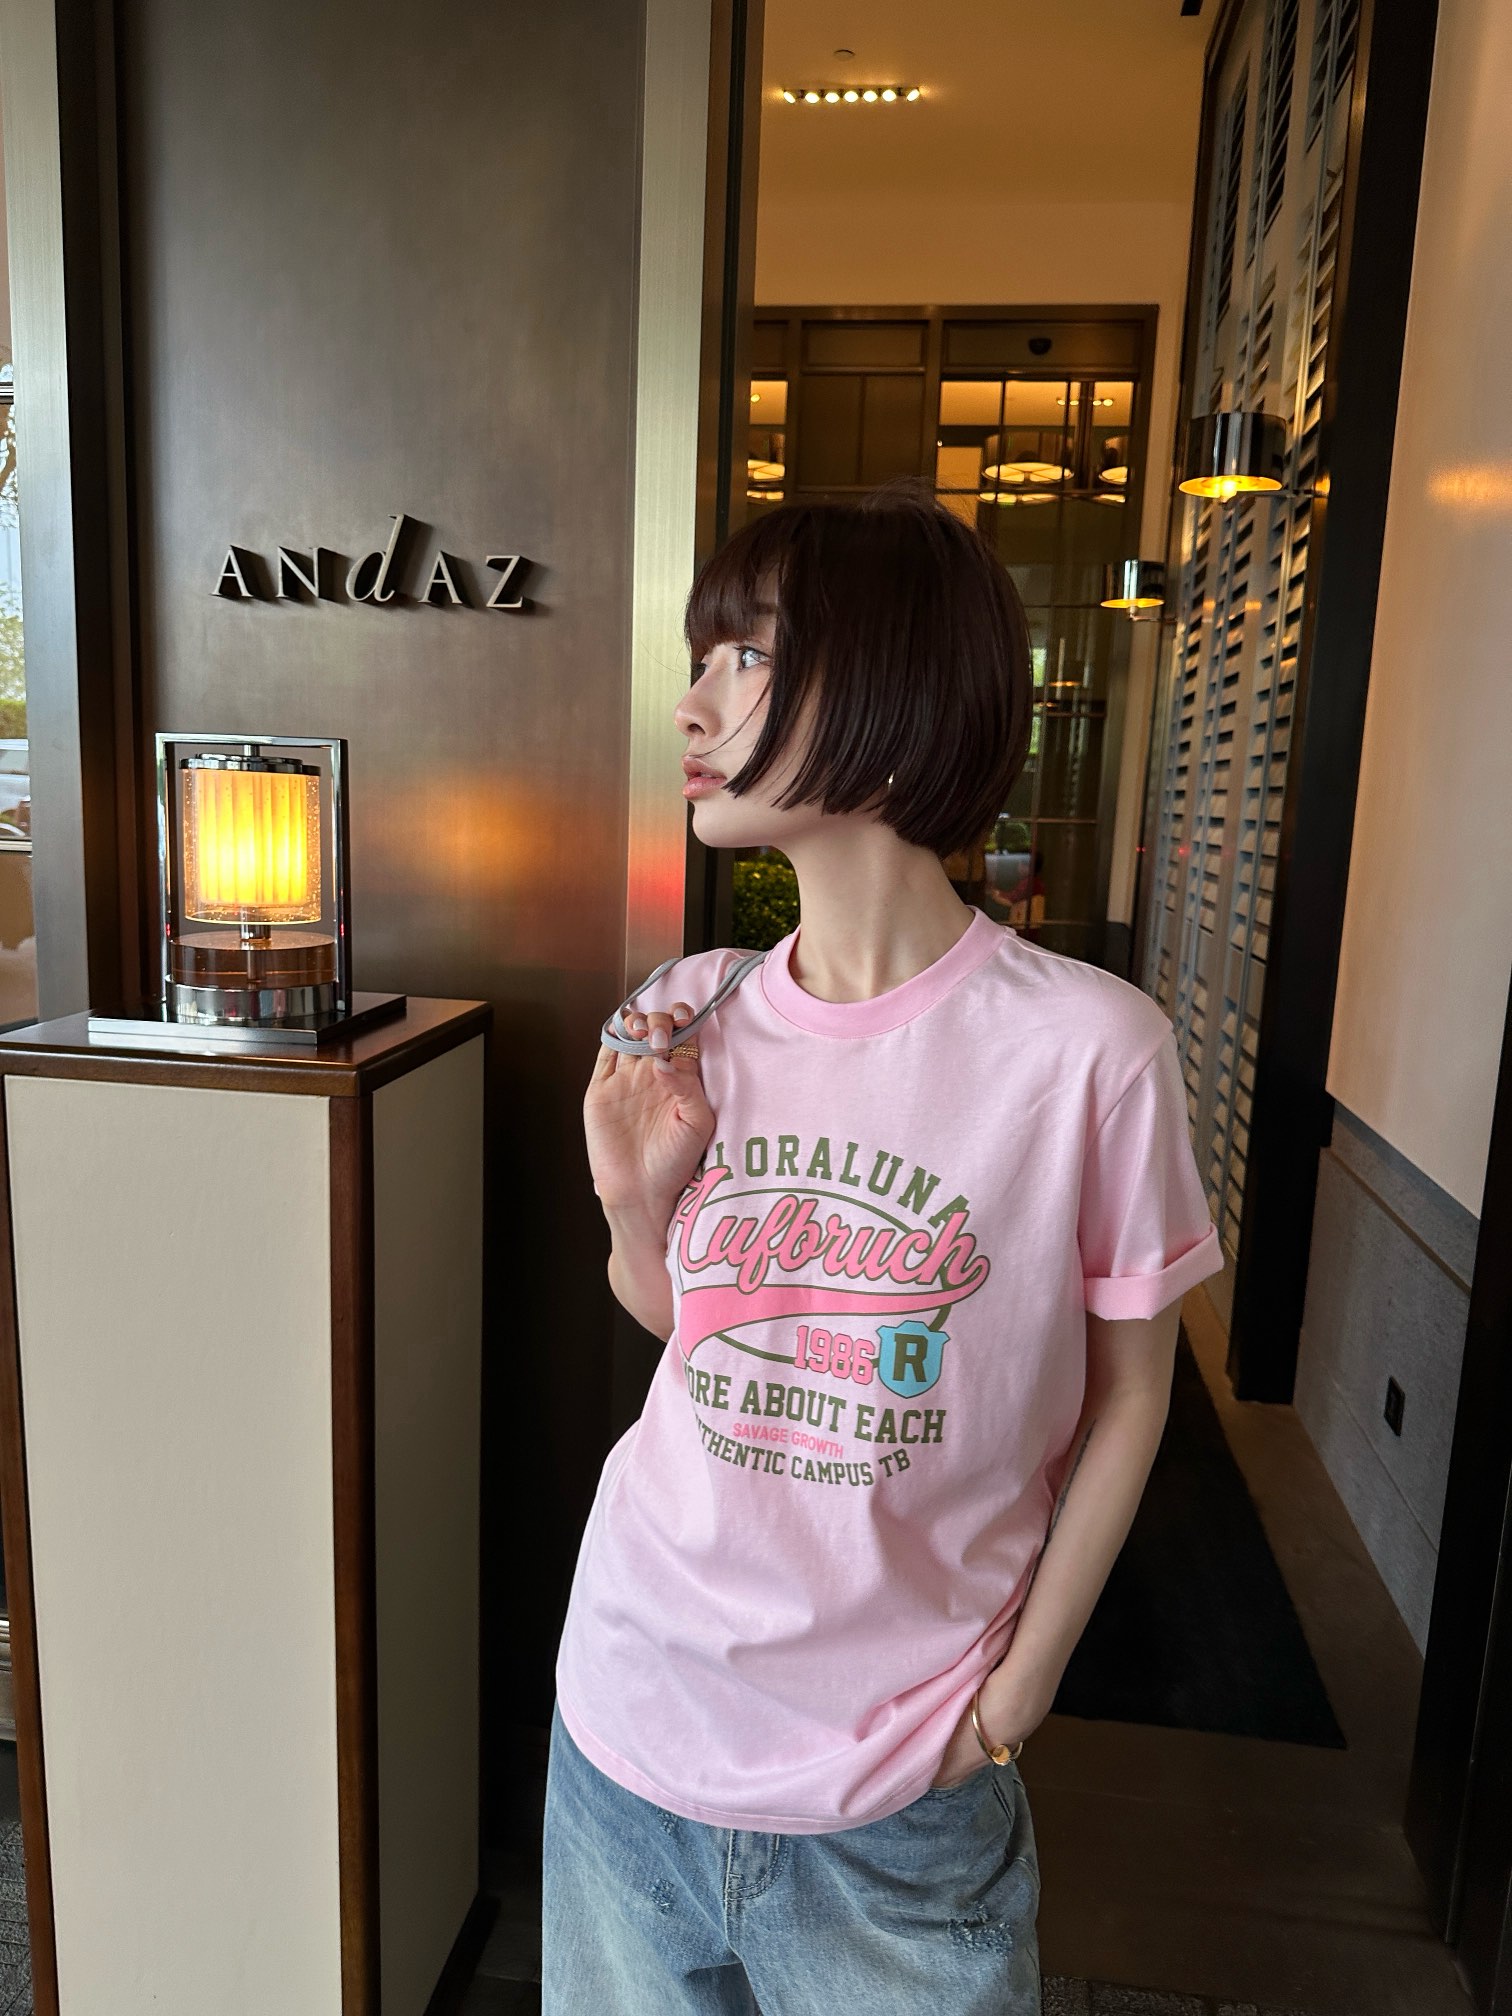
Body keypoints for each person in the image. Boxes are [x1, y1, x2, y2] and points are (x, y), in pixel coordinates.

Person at [544, 479, 1224, 2014]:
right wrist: (630, 1197)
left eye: (748, 657)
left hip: (900, 1793)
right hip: (630, 1726)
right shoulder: (688, 1010)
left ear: (895, 684)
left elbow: (1135, 1394)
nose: (692, 703)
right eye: (701, 659)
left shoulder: (1090, 1051)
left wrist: (1018, 1694)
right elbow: (687, 1329)